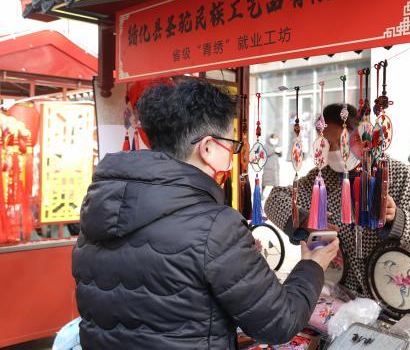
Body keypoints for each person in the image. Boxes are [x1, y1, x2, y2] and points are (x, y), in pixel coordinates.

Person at [72, 79, 339, 349]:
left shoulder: (99, 206)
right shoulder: (215, 226)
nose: (232, 157)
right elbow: (280, 322)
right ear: (208, 147)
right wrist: (312, 266)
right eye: (232, 146)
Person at [265, 104, 410, 296]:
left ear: (360, 139)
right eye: (328, 145)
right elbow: (275, 199)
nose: (335, 151)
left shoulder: (397, 175)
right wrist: (305, 221)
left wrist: (397, 219)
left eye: (341, 142)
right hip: (339, 293)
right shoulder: (321, 179)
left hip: (393, 293)